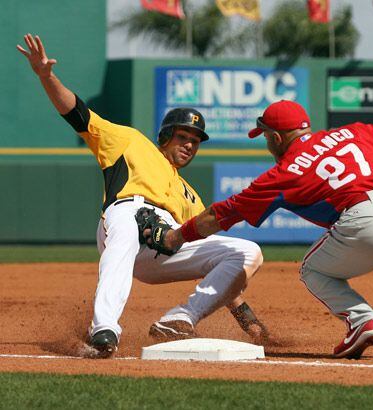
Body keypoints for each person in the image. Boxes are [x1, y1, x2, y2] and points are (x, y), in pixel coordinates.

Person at [152, 99, 373, 360]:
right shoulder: (356, 131)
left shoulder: (284, 171)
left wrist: (175, 236)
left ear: (277, 137)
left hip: (364, 219)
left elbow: (222, 214)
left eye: (265, 136)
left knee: (314, 269)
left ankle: (362, 320)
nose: (266, 143)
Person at [17, 34, 267, 358]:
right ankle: (105, 328)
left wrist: (247, 319)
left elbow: (211, 260)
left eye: (196, 140)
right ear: (165, 136)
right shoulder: (130, 140)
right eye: (183, 136)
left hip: (163, 249)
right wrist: (46, 76)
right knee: (126, 225)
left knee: (246, 250)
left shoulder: (190, 195)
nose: (190, 144)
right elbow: (78, 114)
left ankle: (179, 318)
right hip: (126, 215)